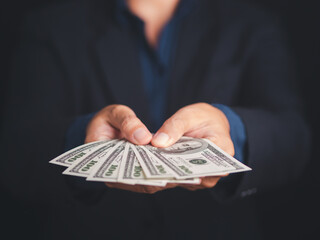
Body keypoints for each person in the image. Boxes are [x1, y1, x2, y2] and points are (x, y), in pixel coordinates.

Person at [0, 0, 310, 239]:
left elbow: (294, 139)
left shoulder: (251, 23)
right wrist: (83, 139)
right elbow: (15, 152)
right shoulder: (50, 27)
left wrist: (232, 130)